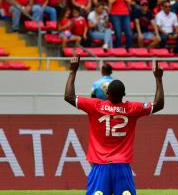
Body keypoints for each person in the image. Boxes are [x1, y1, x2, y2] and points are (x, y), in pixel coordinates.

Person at [64, 55, 164, 195]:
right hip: (122, 166)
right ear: (124, 94)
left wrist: (72, 71)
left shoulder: (96, 106)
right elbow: (159, 105)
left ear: (107, 93)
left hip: (100, 166)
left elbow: (68, 96)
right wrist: (158, 78)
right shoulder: (132, 109)